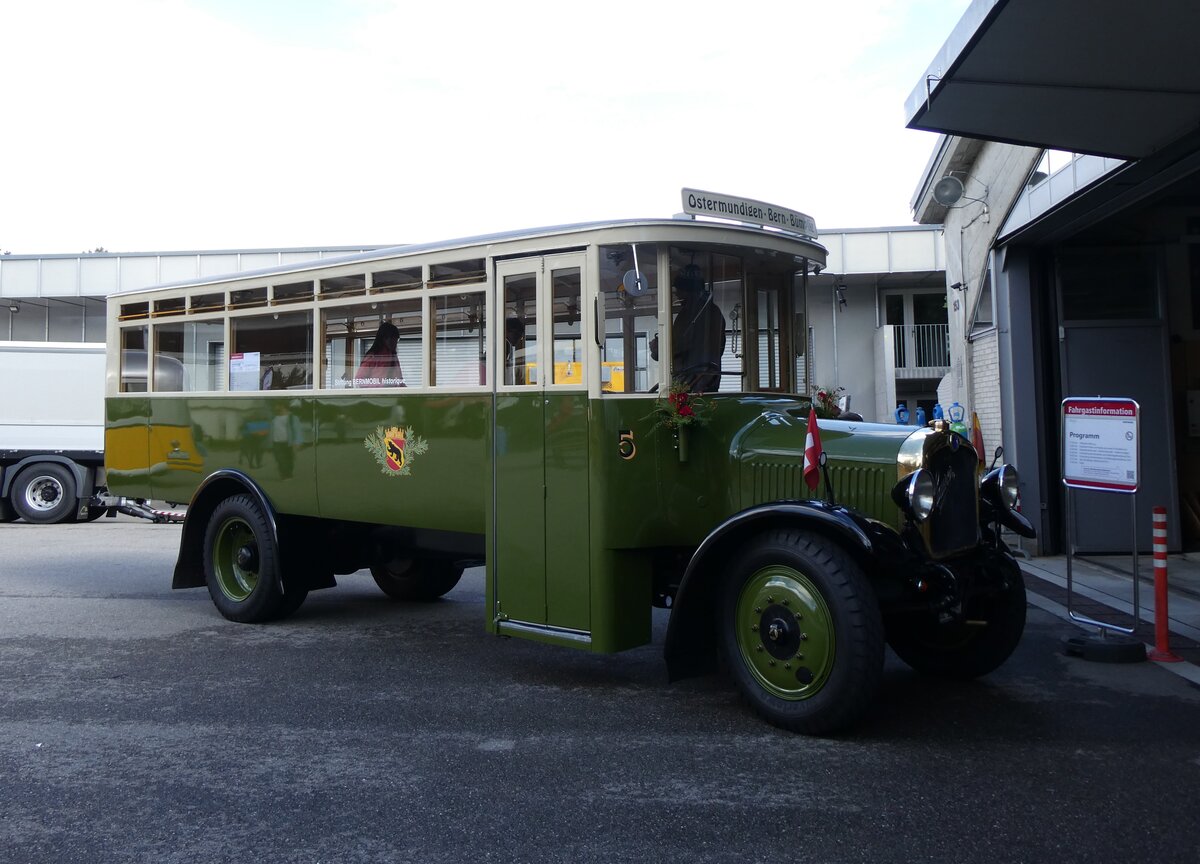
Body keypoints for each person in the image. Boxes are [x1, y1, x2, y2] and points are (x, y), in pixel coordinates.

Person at [652, 265, 726, 391]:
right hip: (708, 382)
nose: (676, 293)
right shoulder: (713, 312)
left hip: (689, 384)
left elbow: (679, 344)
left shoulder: (691, 314)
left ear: (688, 291)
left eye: (679, 289)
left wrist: (658, 348)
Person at [354, 321, 405, 388]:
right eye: (392, 339)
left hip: (393, 396)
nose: (395, 342)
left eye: (396, 339)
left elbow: (399, 380)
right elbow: (359, 380)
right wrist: (380, 386)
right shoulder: (373, 356)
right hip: (375, 396)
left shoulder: (394, 357)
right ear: (383, 339)